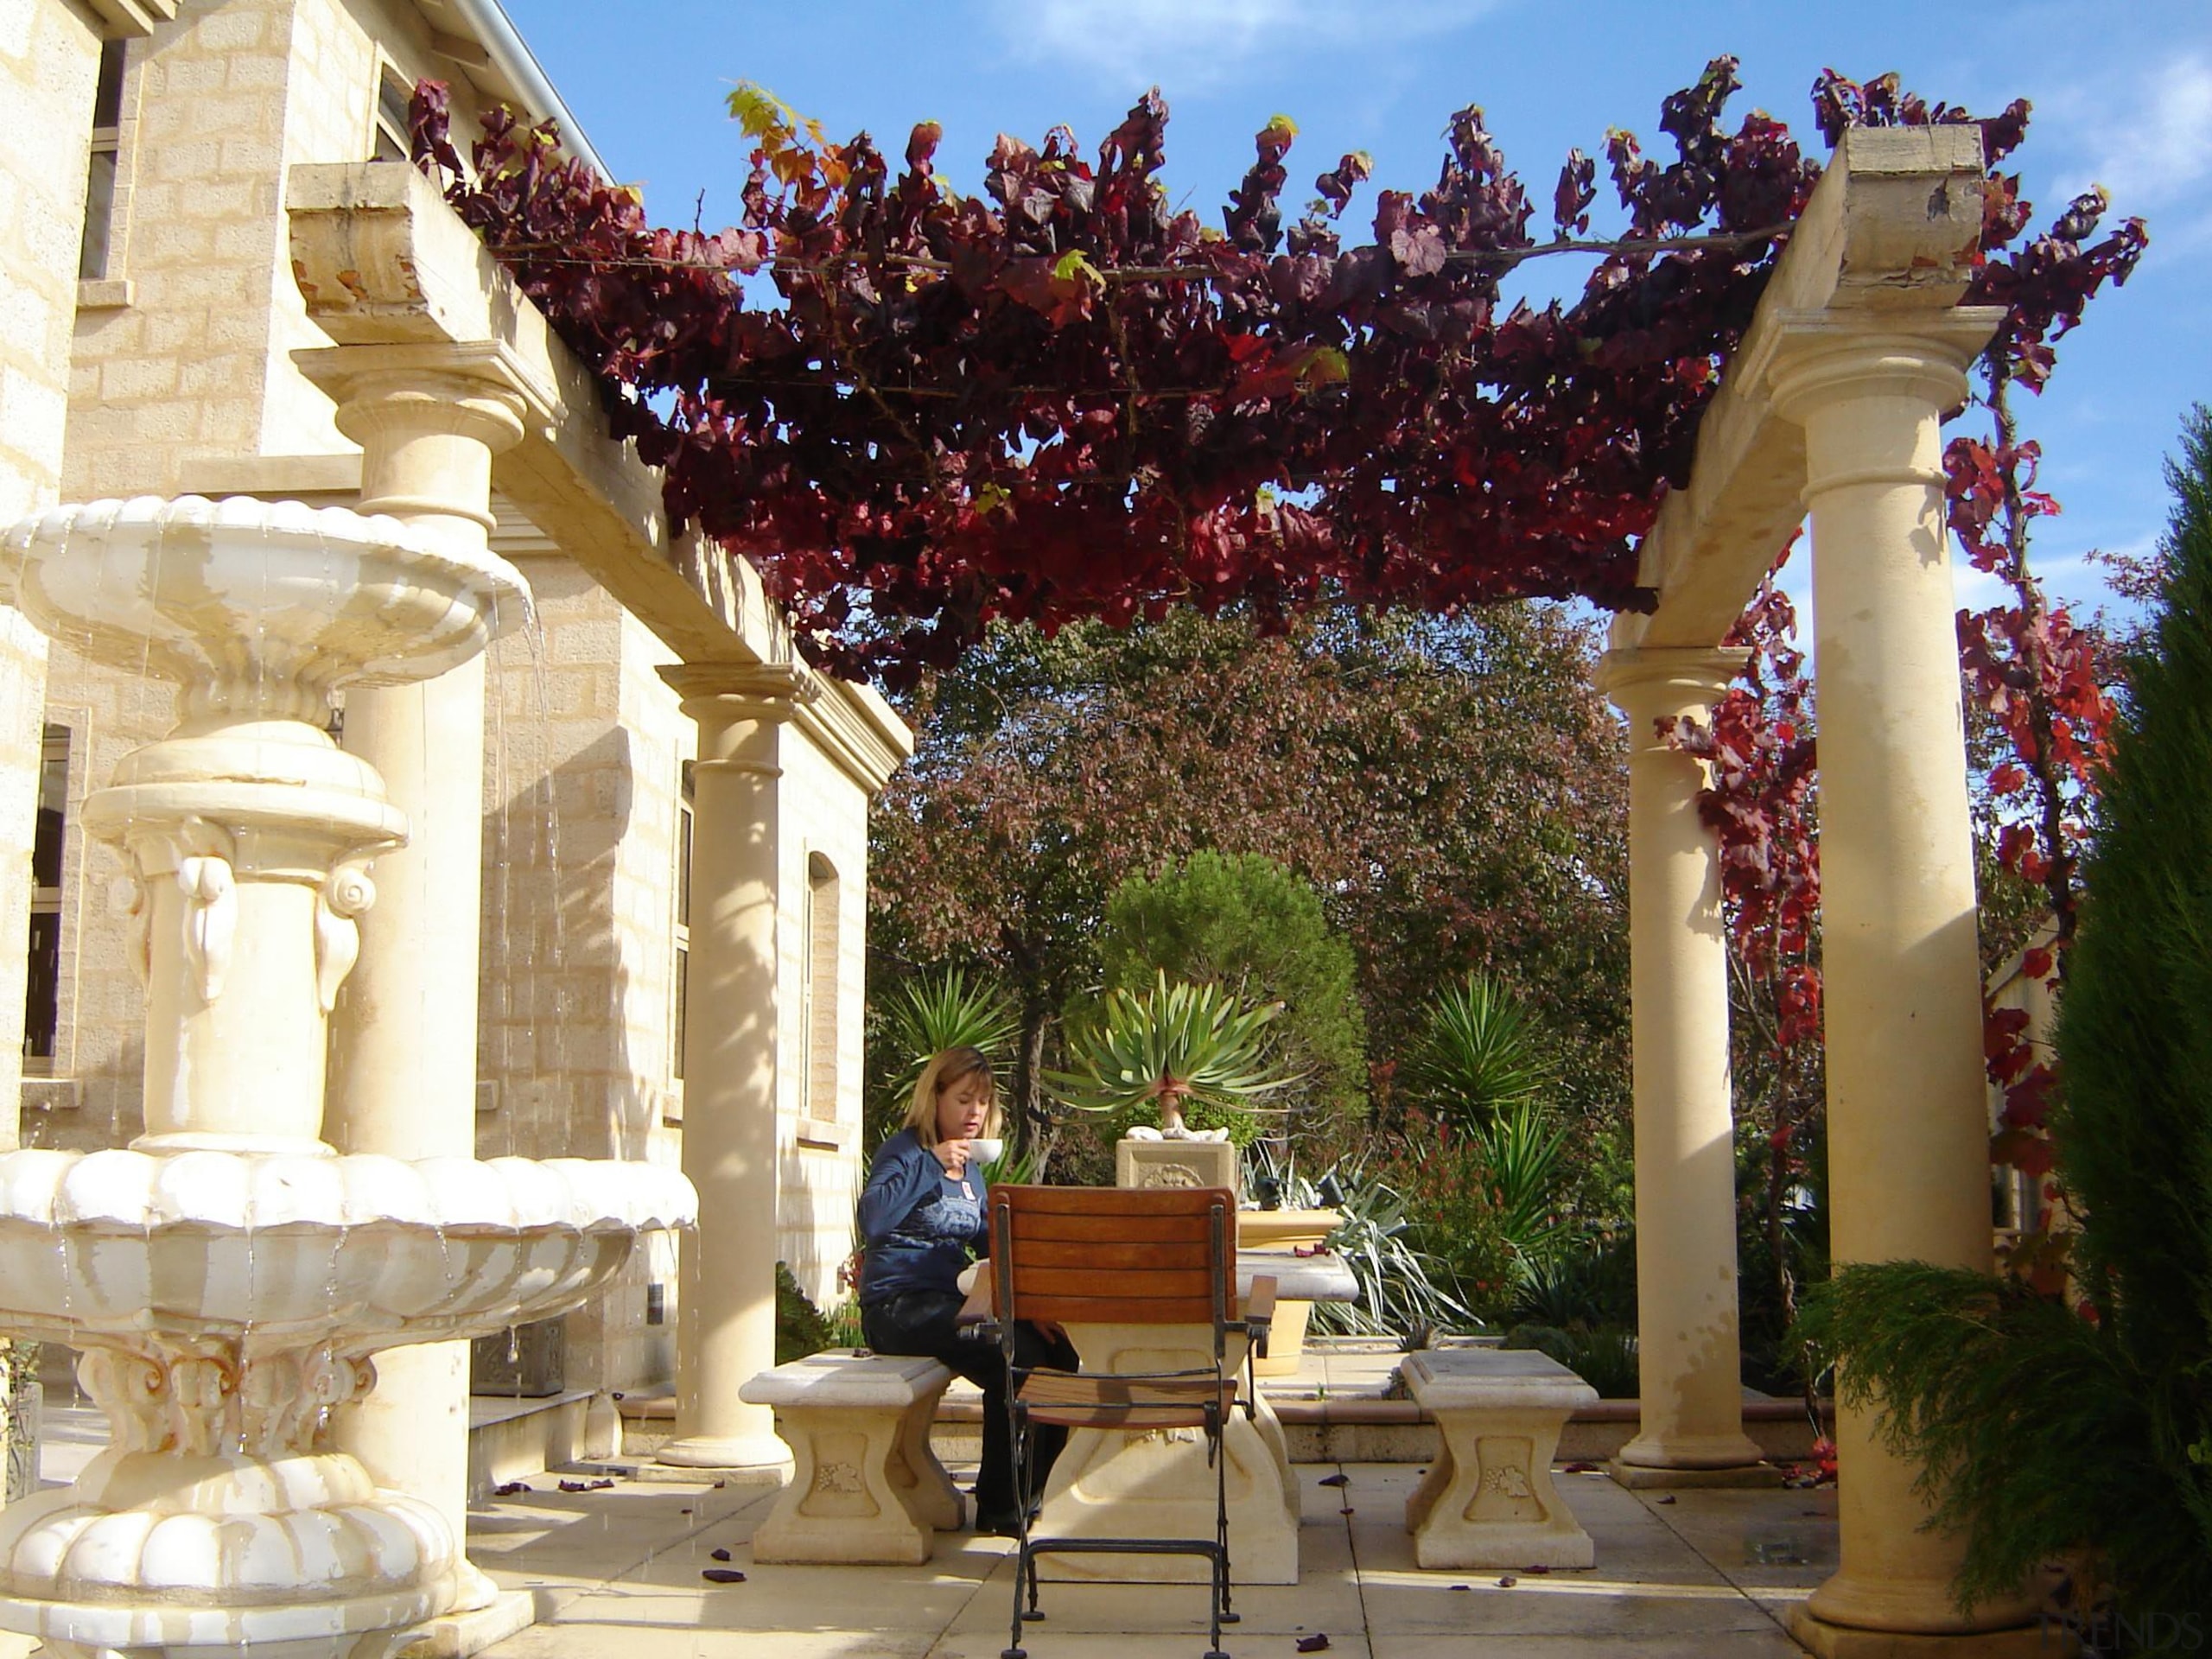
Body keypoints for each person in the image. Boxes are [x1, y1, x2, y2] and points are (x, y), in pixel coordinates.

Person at [856, 1046, 1079, 1535]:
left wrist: (1033, 1304)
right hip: (898, 1307)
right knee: (1009, 1356)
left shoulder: (972, 1172)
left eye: (982, 1100)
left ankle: (1034, 1491)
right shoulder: (906, 1151)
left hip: (952, 1304)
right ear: (933, 1099)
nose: (974, 1111)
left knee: (1058, 1355)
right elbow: (873, 1220)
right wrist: (931, 1164)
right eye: (962, 1099)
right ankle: (1001, 1506)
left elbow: (987, 1243)